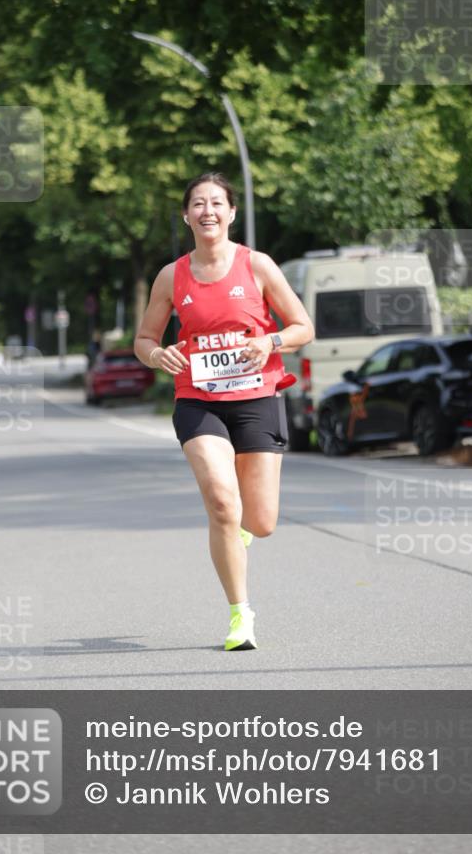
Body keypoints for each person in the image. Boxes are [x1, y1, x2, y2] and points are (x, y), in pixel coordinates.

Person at [134, 172, 314, 650]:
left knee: (261, 521)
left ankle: (242, 532)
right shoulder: (172, 276)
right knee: (220, 500)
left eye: (217, 203)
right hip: (198, 398)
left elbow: (302, 327)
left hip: (257, 397)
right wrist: (156, 355)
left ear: (231, 213)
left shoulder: (257, 267)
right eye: (198, 203)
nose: (207, 211)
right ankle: (240, 616)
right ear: (186, 215)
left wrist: (268, 340)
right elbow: (144, 339)